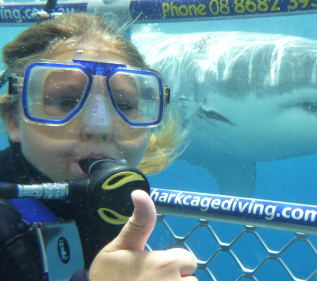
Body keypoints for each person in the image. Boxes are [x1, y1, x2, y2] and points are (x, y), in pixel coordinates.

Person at [0, 13, 197, 280]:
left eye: (125, 105)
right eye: (66, 102)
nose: (99, 127)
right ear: (14, 120)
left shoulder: (118, 204)